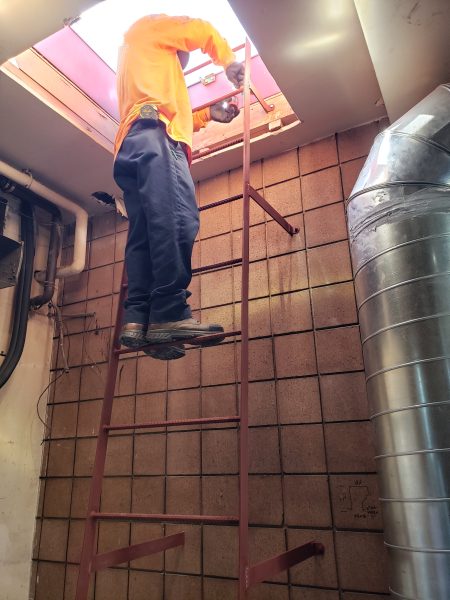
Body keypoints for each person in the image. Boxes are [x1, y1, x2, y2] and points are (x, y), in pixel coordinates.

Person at [113, 14, 244, 360]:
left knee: (144, 234)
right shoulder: (152, 28)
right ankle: (169, 312)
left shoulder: (138, 59)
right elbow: (201, 29)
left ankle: (139, 320)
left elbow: (167, 105)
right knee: (177, 220)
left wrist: (206, 116)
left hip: (132, 142)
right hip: (158, 138)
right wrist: (228, 61)